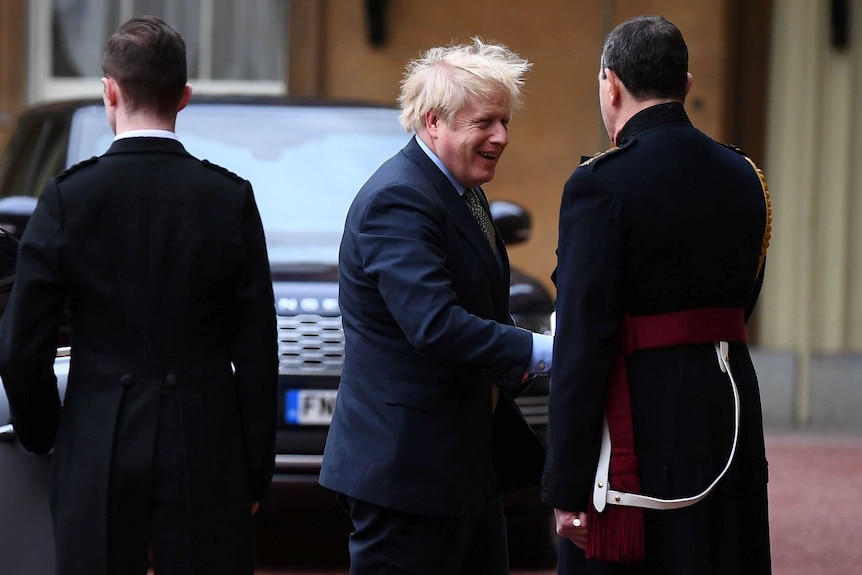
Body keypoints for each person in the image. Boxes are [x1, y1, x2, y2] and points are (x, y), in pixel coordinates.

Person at [0, 16, 278, 575]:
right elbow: (256, 355)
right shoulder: (229, 199)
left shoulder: (67, 198)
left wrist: (47, 437)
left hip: (96, 439)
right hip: (204, 443)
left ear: (109, 90)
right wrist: (252, 469)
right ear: (184, 96)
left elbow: (20, 348)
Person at [542, 15, 772, 575]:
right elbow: (743, 303)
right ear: (687, 86)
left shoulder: (599, 183)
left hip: (638, 426)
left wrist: (568, 482)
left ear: (611, 83)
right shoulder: (746, 175)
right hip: (727, 406)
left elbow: (582, 340)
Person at [319, 38, 553, 574]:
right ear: (432, 122)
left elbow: (478, 304)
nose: (501, 136)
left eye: (506, 121)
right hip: (406, 476)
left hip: (461, 469)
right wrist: (544, 351)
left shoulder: (459, 190)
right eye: (485, 122)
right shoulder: (398, 198)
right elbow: (436, 325)